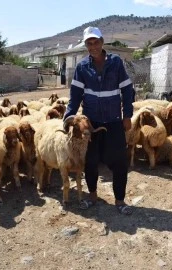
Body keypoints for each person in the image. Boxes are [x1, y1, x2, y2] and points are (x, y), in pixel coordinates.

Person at [63, 26, 135, 215]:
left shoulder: (116, 63)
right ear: (86, 45)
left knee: (119, 161)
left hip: (114, 121)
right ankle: (92, 195)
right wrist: (67, 119)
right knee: (91, 160)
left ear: (102, 42)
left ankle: (119, 200)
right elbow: (75, 96)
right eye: (89, 43)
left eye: (96, 42)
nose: (93, 46)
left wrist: (127, 115)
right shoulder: (82, 67)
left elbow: (127, 90)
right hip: (91, 124)